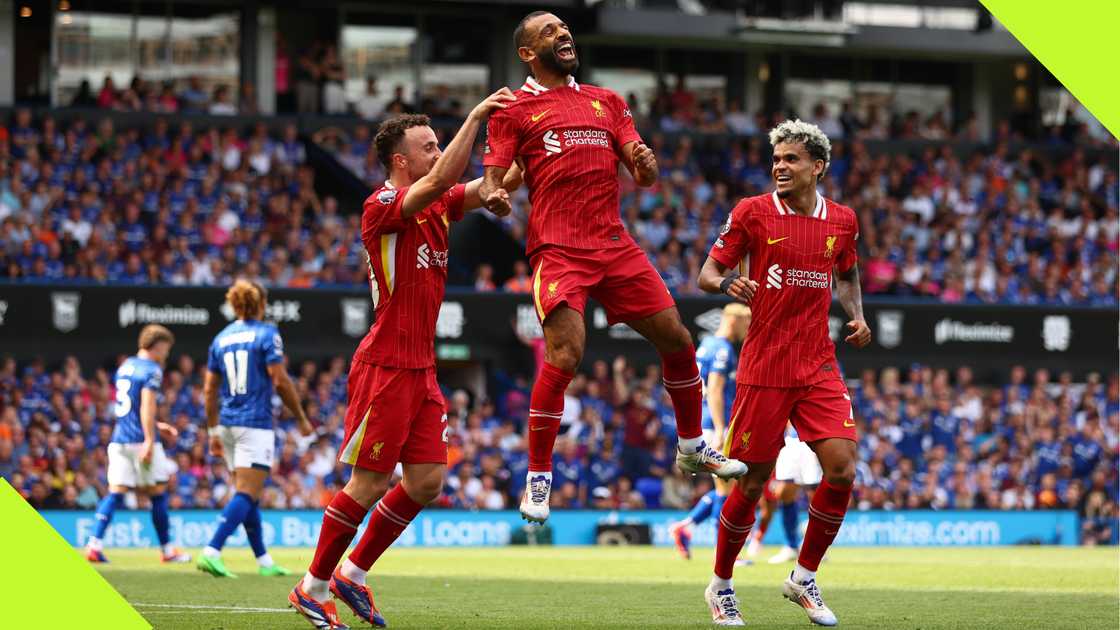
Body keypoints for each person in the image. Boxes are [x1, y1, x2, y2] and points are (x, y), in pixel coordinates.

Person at [478, 11, 746, 525]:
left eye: (564, 28)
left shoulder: (608, 101)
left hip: (614, 244)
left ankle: (692, 445)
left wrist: (645, 165)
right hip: (559, 249)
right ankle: (538, 475)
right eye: (549, 32)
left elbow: (642, 170)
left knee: (678, 339)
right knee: (566, 352)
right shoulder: (514, 109)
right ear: (528, 53)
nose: (563, 34)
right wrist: (493, 195)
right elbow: (495, 178)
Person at [289, 90, 522, 629]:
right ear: (402, 160)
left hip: (421, 367)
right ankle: (311, 585)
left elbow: (494, 184)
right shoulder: (381, 206)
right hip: (387, 363)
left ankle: (353, 574)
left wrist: (531, 145)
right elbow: (443, 181)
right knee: (367, 483)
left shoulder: (436, 203)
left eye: (439, 144)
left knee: (425, 482)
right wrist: (476, 117)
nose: (437, 152)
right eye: (428, 145)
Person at [696, 119, 871, 627]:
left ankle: (804, 577)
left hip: (818, 363)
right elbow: (706, 274)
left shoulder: (841, 221)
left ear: (817, 167)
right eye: (776, 160)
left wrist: (856, 313)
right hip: (765, 367)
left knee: (841, 469)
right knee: (750, 485)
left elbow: (849, 271)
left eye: (791, 159)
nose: (780, 167)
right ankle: (721, 586)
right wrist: (729, 282)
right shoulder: (751, 212)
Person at [196, 280, 314, 578]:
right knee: (248, 492)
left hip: (227, 423)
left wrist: (212, 432)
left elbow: (209, 390)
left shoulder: (220, 338)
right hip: (255, 423)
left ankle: (263, 561)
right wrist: (299, 415)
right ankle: (212, 550)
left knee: (249, 492)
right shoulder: (267, 333)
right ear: (261, 304)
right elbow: (279, 379)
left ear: (234, 305)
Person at [84, 325, 191, 565]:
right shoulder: (152, 370)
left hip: (119, 439)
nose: (166, 354)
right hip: (140, 441)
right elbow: (145, 405)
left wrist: (158, 425)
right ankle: (167, 550)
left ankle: (93, 544)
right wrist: (151, 439)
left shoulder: (126, 366)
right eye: (166, 348)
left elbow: (131, 408)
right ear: (158, 346)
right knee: (158, 494)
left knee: (115, 493)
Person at [668, 303, 751, 560]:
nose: (747, 330)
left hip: (700, 421)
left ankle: (686, 527)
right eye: (746, 324)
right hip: (713, 423)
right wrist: (720, 428)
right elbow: (714, 389)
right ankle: (726, 554)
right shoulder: (722, 350)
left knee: (723, 487)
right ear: (733, 320)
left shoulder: (705, 345)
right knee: (726, 488)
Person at [745, 424, 823, 564]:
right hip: (790, 441)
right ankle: (791, 547)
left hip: (811, 438)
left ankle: (817, 548)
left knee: (814, 493)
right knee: (784, 493)